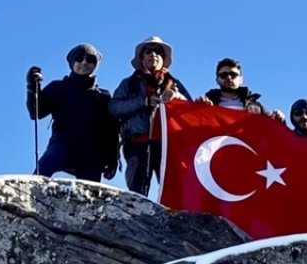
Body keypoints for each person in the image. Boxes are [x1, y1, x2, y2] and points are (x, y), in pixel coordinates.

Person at [109, 36, 191, 196]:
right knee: (137, 194)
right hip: (137, 143)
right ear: (142, 57)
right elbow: (114, 108)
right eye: (148, 51)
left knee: (173, 191)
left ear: (163, 58)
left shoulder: (174, 84)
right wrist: (144, 101)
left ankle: (172, 221)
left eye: (158, 51)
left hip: (168, 146)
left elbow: (190, 110)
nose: (153, 54)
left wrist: (176, 97)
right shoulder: (129, 84)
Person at [25, 43, 120, 182]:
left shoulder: (104, 97)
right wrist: (32, 88)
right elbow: (36, 112)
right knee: (45, 168)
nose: (84, 63)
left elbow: (111, 132)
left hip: (92, 154)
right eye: (79, 58)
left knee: (90, 196)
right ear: (72, 63)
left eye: (90, 59)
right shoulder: (58, 88)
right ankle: (28, 195)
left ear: (95, 65)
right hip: (62, 145)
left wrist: (112, 160)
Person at [200, 57, 285, 121]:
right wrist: (197, 109)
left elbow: (273, 130)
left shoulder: (256, 106)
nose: (229, 78)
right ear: (217, 80)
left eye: (233, 75)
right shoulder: (205, 104)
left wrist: (280, 119)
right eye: (223, 75)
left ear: (241, 79)